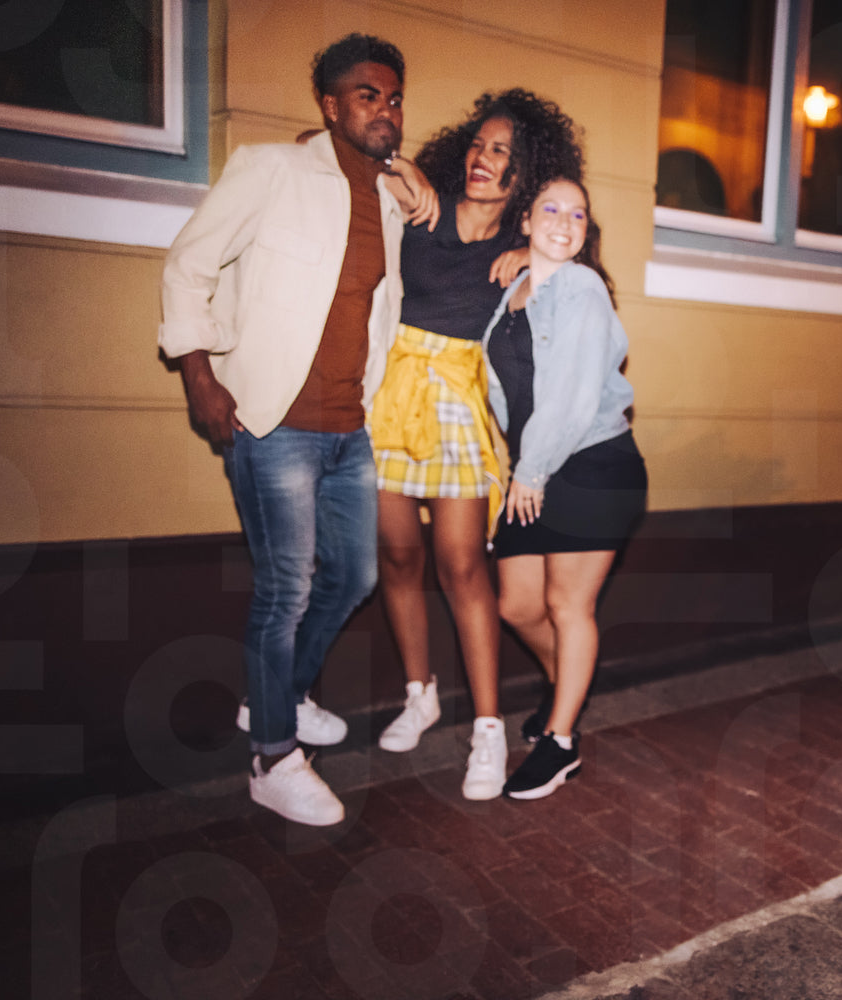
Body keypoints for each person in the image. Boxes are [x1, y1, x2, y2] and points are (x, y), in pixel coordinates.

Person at [159, 34, 431, 827]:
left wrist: (406, 172)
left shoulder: (390, 199)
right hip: (272, 421)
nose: (385, 109)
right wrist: (200, 377)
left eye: (394, 97)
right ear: (330, 104)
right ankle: (272, 758)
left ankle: (278, 696)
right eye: (367, 95)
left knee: (355, 576)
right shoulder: (269, 170)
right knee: (286, 589)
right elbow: (187, 265)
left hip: (350, 427)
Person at [366, 91, 584, 801]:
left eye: (501, 152)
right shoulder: (422, 208)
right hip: (392, 389)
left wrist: (534, 255)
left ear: (527, 173)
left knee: (461, 564)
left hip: (457, 399)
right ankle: (419, 693)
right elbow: (347, 154)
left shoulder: (522, 245)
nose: (482, 159)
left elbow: (577, 270)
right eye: (479, 145)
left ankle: (487, 730)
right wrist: (400, 166)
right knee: (398, 554)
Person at [480, 176, 646, 800]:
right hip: (536, 464)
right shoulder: (515, 289)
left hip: (593, 462)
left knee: (567, 605)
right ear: (525, 220)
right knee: (517, 606)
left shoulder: (581, 287)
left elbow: (572, 394)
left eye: (577, 214)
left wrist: (529, 471)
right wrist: (520, 468)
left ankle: (560, 740)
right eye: (550, 209)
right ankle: (566, 690)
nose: (563, 221)